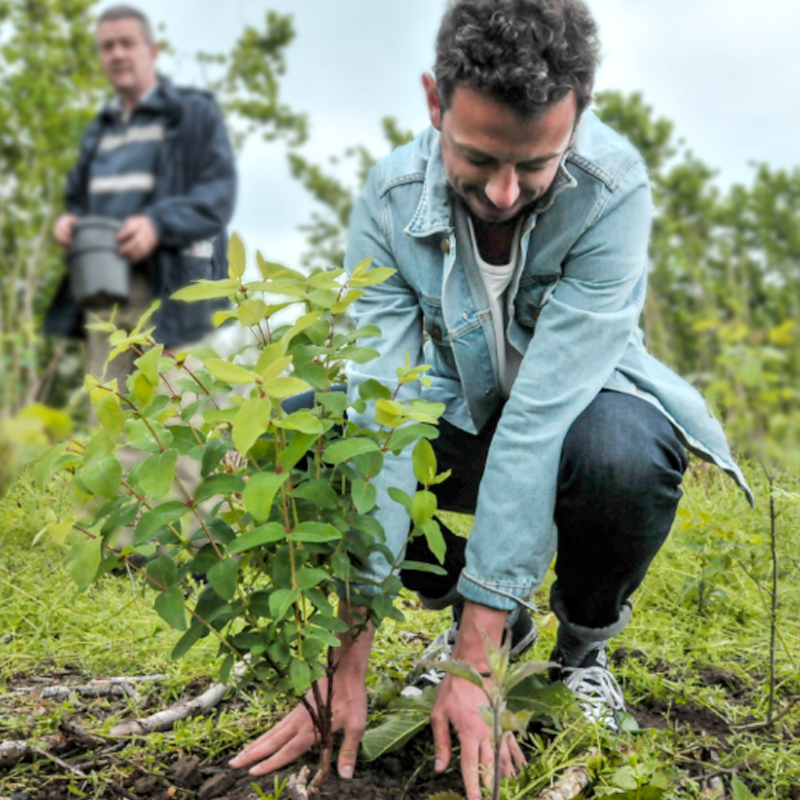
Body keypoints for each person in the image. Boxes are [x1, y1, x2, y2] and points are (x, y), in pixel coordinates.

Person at [231, 1, 752, 797]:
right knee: (318, 418)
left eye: (535, 165)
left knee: (624, 451)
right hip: (456, 419)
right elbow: (382, 407)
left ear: (578, 121)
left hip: (576, 420)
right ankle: (481, 618)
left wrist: (480, 668)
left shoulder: (612, 192)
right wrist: (350, 645)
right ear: (434, 102)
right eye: (477, 159)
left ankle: (578, 654)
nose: (505, 193)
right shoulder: (391, 197)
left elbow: (542, 415)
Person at [45, 4, 236, 386]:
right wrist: (71, 221)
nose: (116, 54)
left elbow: (217, 194)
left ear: (152, 52)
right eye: (107, 46)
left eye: (126, 44)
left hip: (175, 286)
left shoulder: (194, 113)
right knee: (114, 420)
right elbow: (79, 198)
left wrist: (157, 225)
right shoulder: (100, 129)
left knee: (181, 420)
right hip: (104, 288)